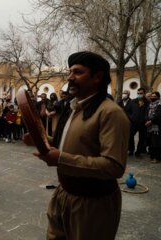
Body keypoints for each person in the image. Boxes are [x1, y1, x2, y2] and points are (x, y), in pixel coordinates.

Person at [25, 51, 130, 239]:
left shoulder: (111, 113)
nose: (70, 78)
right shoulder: (73, 107)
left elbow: (114, 166)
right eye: (69, 72)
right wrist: (40, 140)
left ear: (97, 77)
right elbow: (64, 144)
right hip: (63, 194)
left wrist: (61, 159)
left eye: (78, 72)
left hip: (93, 203)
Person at [129, 87, 149, 157]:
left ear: (144, 93)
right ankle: (131, 150)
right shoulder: (132, 101)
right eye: (138, 93)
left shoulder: (148, 102)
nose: (139, 94)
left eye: (141, 93)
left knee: (142, 139)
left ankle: (138, 152)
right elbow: (128, 111)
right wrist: (131, 117)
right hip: (133, 123)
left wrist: (146, 119)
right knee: (130, 136)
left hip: (143, 124)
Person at [145, 91, 161, 163]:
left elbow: (158, 115)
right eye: (152, 96)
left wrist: (151, 121)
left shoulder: (160, 104)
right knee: (151, 143)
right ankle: (152, 156)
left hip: (156, 127)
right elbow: (147, 113)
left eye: (154, 96)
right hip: (149, 127)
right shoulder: (150, 104)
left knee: (156, 143)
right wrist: (147, 120)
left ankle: (157, 158)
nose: (153, 97)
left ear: (158, 97)